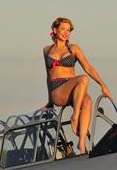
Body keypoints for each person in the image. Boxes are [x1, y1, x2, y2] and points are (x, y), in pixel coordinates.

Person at [41, 17, 113, 154]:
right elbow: (48, 75)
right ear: (55, 30)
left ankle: (82, 144)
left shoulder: (73, 48)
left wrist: (103, 85)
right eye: (63, 29)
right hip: (57, 89)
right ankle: (75, 116)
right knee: (84, 79)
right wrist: (49, 101)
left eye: (68, 30)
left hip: (74, 88)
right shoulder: (46, 50)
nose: (66, 32)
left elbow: (88, 67)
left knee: (88, 101)